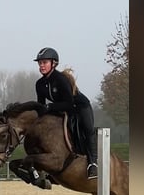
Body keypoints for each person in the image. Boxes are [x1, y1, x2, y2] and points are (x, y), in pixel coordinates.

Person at [33, 47, 98, 180]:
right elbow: (41, 106)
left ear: (54, 63)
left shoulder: (61, 79)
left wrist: (49, 106)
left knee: (88, 129)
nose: (41, 65)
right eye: (40, 63)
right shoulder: (39, 84)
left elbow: (69, 103)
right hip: (62, 109)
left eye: (44, 62)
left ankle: (93, 163)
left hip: (80, 106)